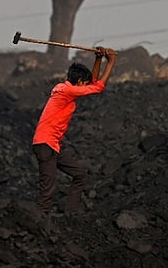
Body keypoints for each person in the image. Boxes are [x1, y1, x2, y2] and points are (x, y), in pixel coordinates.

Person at [31, 46, 117, 219]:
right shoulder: (66, 90)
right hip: (45, 144)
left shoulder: (66, 89)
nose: (86, 87)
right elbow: (99, 87)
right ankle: (38, 220)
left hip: (53, 145)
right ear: (78, 81)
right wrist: (111, 62)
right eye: (84, 84)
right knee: (48, 186)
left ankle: (71, 213)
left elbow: (92, 83)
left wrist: (98, 59)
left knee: (80, 174)